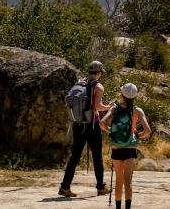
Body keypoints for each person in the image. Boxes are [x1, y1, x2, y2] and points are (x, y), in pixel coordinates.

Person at [59, 60, 113, 198]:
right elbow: (97, 106)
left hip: (78, 124)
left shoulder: (79, 82)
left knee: (75, 156)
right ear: (99, 72)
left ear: (89, 71)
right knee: (97, 156)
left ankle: (65, 187)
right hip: (92, 125)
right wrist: (108, 107)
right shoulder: (98, 86)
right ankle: (101, 187)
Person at [101, 82, 152, 209]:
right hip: (130, 147)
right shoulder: (137, 110)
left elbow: (102, 123)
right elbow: (148, 131)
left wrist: (110, 131)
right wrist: (138, 135)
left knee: (119, 181)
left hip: (116, 147)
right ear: (134, 96)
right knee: (128, 182)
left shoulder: (114, 108)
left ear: (122, 94)